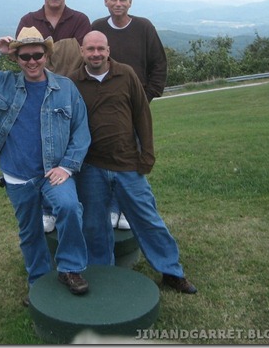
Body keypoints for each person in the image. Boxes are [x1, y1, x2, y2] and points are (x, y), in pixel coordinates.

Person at [0, 26, 92, 305]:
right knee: (30, 232)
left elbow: (81, 131)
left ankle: (70, 268)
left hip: (54, 173)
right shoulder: (1, 84)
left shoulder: (65, 88)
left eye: (37, 55)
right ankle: (38, 283)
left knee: (69, 208)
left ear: (46, 55)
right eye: (25, 56)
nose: (32, 61)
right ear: (16, 58)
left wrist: (67, 167)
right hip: (17, 175)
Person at [69, 31, 197, 294]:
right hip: (90, 167)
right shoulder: (73, 82)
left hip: (127, 164)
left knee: (148, 219)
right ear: (82, 51)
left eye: (100, 49)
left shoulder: (126, 75)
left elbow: (142, 115)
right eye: (90, 49)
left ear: (108, 50)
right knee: (94, 225)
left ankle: (171, 272)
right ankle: (104, 274)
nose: (96, 54)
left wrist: (147, 154)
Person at [17, 0, 92, 233]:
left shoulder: (80, 20)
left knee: (73, 148)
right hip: (37, 97)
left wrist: (48, 60)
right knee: (42, 151)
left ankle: (73, 202)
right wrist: (59, 53)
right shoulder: (28, 20)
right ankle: (47, 208)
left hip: (72, 96)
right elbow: (25, 59)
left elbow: (84, 57)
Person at [91, 0, 168, 230]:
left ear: (130, 2)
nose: (118, 3)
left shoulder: (143, 27)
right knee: (108, 156)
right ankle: (113, 206)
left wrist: (146, 96)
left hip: (136, 105)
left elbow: (159, 64)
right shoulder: (98, 27)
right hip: (104, 107)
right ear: (106, 1)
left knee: (133, 156)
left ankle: (128, 208)